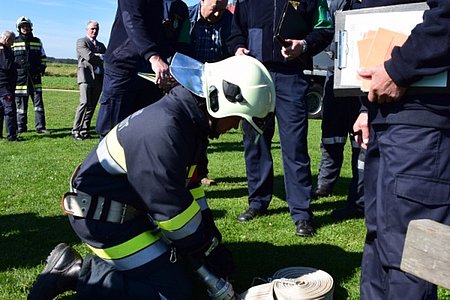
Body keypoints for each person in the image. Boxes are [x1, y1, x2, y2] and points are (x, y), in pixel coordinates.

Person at [27, 53, 276, 300]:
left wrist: (210, 238)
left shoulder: (189, 124)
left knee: (187, 275)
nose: (234, 127)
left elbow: (190, 190)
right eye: (238, 119)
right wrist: (204, 248)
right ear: (218, 101)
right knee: (173, 293)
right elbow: (171, 210)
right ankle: (75, 272)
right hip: (105, 222)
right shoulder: (165, 131)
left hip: (129, 213)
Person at [351, 0, 450, 298]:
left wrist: (399, 68)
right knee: (378, 237)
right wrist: (367, 108)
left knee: (410, 250)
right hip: (386, 114)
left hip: (423, 118)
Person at [228, 0, 334, 236]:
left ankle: (301, 213)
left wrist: (304, 45)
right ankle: (257, 202)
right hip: (255, 77)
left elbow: (325, 28)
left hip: (291, 76)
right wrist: (238, 48)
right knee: (255, 142)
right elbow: (235, 32)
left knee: (294, 146)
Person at [312, 0, 365, 221]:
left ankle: (359, 198)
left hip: (362, 77)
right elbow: (324, 31)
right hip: (337, 75)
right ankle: (325, 185)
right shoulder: (333, 3)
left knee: (360, 143)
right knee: (331, 137)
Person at [95, 0, 172, 139]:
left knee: (145, 132)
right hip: (123, 67)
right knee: (111, 132)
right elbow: (133, 21)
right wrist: (153, 57)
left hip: (149, 73)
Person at [189, 0, 233, 186]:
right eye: (214, 9)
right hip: (188, 82)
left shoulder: (230, 20)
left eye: (222, 10)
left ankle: (201, 174)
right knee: (187, 131)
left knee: (203, 132)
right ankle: (187, 173)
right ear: (202, 1)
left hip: (214, 84)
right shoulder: (187, 17)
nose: (217, 14)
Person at [12, 16, 49, 134]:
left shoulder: (37, 41)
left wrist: (41, 68)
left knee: (38, 105)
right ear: (19, 28)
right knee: (21, 106)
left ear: (30, 27)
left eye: (27, 26)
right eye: (22, 26)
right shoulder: (13, 42)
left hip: (35, 78)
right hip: (20, 79)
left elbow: (43, 57)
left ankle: (41, 127)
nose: (25, 28)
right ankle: (21, 127)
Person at [71, 21, 107, 141]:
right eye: (92, 29)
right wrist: (101, 57)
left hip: (98, 78)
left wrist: (99, 56)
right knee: (84, 103)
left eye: (96, 29)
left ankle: (85, 130)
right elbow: (89, 56)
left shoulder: (101, 45)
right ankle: (76, 130)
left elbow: (107, 58)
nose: (94, 31)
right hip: (85, 77)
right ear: (87, 29)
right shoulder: (82, 42)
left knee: (92, 105)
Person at [0, 30, 18, 142]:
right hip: (5, 85)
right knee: (9, 110)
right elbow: (7, 65)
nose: (12, 45)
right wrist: (16, 64)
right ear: (7, 39)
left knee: (0, 111)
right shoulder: (3, 50)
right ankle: (11, 136)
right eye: (12, 42)